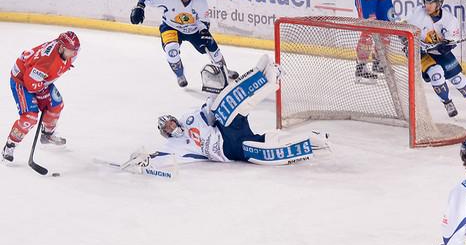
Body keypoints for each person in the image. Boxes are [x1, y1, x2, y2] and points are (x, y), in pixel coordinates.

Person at [120, 55, 329, 173]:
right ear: (165, 134)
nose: (171, 127)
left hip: (227, 128)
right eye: (167, 128)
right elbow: (162, 159)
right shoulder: (173, 146)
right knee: (268, 153)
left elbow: (210, 110)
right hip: (231, 150)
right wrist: (145, 161)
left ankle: (268, 77)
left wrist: (215, 100)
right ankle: (313, 141)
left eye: (171, 123)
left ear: (175, 120)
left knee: (226, 106)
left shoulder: (189, 118)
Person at [129, 0, 239, 88]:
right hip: (171, 27)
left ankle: (225, 70)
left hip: (194, 30)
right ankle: (180, 75)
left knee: (213, 49)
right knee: (171, 51)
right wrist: (140, 6)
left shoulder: (200, 1)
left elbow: (204, 21)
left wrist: (204, 30)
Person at [403, 0, 466, 117]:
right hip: (420, 52)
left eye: (431, 3)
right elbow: (403, 28)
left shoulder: (449, 20)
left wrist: (446, 46)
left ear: (439, 4)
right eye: (426, 2)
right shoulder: (417, 13)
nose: (427, 6)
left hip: (439, 52)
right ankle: (448, 103)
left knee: (457, 78)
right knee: (435, 73)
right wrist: (407, 44)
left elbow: (452, 41)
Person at [2, 31, 80, 162]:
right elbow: (30, 82)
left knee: (56, 105)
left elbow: (42, 78)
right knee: (30, 117)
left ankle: (47, 135)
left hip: (40, 79)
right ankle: (10, 145)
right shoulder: (47, 61)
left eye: (75, 50)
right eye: (70, 50)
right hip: (22, 81)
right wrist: (42, 95)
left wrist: (43, 92)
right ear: (61, 47)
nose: (73, 54)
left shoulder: (67, 51)